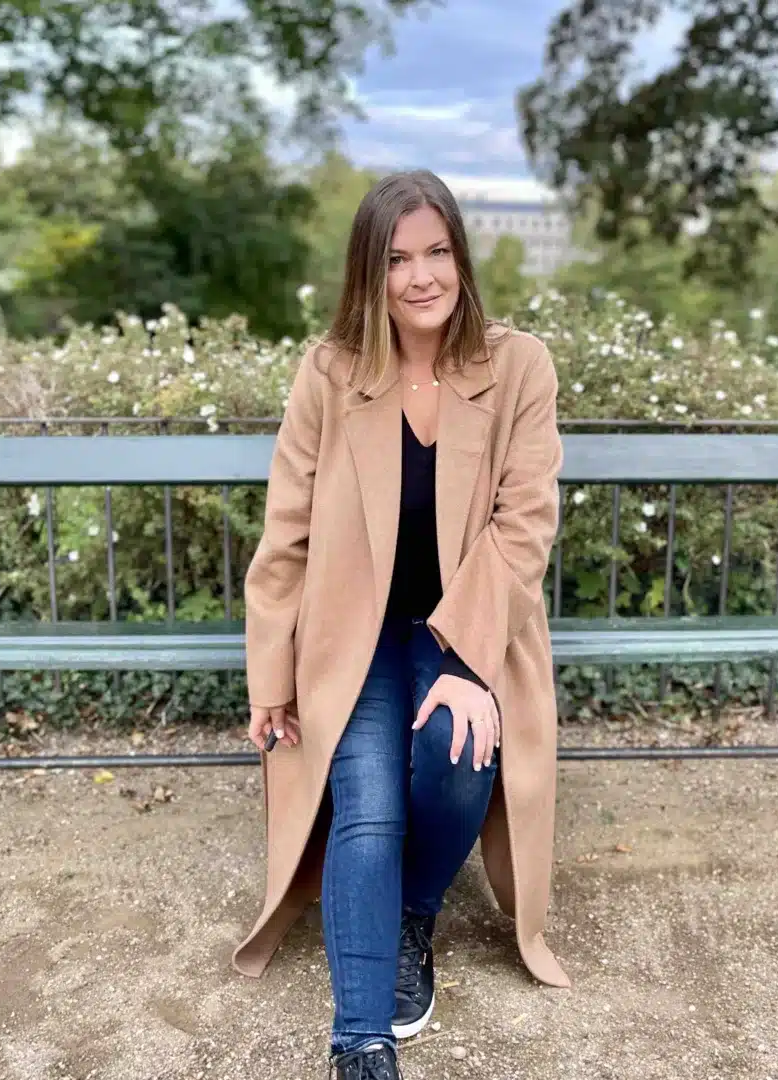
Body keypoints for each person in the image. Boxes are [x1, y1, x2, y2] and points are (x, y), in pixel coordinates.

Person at [233, 169, 570, 1080]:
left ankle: (416, 906)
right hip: (352, 633)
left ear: (460, 255)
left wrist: (467, 659)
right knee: (369, 810)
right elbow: (287, 534)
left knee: (462, 754)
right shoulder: (331, 372)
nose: (421, 276)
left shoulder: (518, 367)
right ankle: (360, 1042)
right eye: (396, 260)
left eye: (436, 252)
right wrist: (272, 675)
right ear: (368, 274)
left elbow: (524, 523)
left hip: (468, 627)